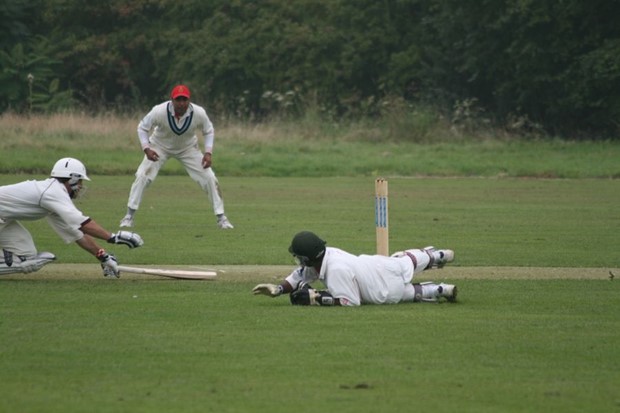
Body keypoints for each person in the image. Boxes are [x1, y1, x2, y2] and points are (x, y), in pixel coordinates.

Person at [0, 158, 144, 278]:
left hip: (3, 219)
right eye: (80, 181)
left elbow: (77, 233)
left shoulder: (53, 197)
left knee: (27, 257)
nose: (81, 186)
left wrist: (103, 256)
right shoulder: (53, 192)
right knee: (30, 262)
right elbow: (83, 224)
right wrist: (114, 237)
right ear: (72, 179)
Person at [119, 84, 233, 229]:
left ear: (189, 100)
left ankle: (221, 218)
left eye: (184, 100)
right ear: (171, 100)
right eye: (178, 100)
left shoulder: (198, 113)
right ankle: (129, 216)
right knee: (142, 175)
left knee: (209, 177)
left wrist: (208, 153)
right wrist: (146, 149)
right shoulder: (159, 111)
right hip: (159, 146)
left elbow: (208, 131)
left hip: (188, 148)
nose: (181, 103)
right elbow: (142, 128)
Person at [252, 231, 457, 306]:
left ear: (306, 258)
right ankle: (436, 256)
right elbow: (300, 276)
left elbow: (350, 302)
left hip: (382, 294)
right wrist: (278, 289)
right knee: (403, 260)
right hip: (380, 266)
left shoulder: (335, 271)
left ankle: (439, 289)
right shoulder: (327, 253)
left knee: (405, 291)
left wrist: (314, 298)